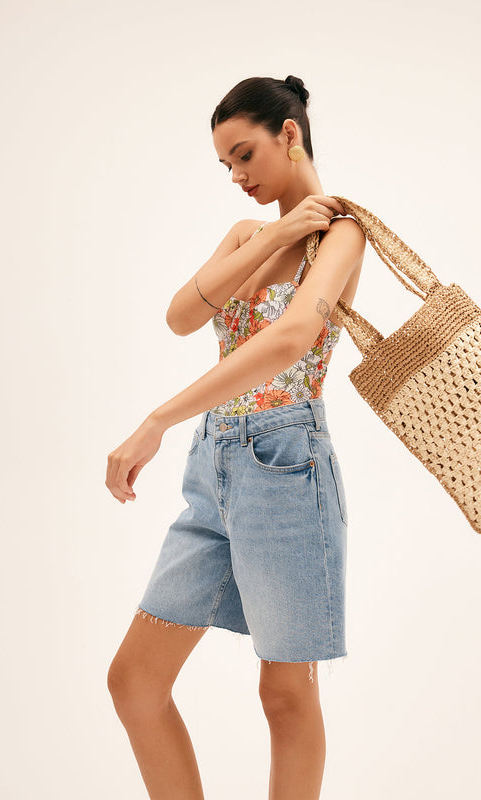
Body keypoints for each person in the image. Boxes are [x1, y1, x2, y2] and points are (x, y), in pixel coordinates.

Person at [105, 75, 366, 800]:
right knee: (134, 683)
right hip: (213, 469)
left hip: (287, 465)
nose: (238, 176)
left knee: (284, 696)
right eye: (226, 164)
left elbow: (292, 339)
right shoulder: (250, 235)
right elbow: (182, 317)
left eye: (245, 154)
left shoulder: (343, 233)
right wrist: (276, 233)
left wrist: (158, 417)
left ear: (291, 133)